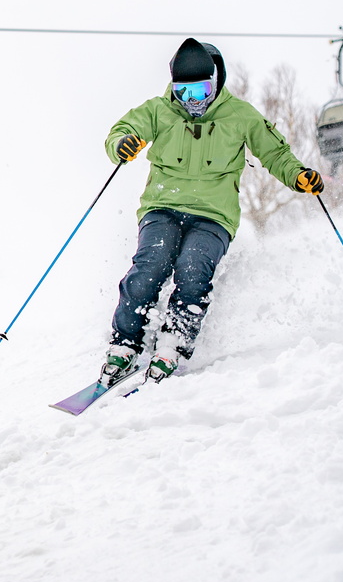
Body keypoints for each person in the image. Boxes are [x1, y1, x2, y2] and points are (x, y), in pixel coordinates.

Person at [100, 37, 323, 385]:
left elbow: (275, 153)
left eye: (201, 91)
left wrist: (298, 175)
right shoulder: (159, 110)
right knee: (151, 264)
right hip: (163, 206)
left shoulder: (240, 116)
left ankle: (173, 342)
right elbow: (123, 131)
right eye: (183, 93)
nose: (193, 102)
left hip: (213, 216)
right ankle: (126, 343)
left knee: (193, 268)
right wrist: (122, 145)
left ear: (216, 82)